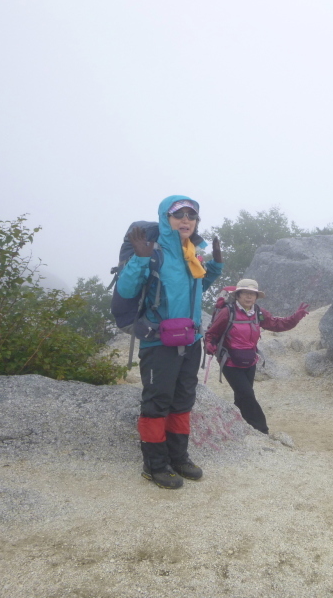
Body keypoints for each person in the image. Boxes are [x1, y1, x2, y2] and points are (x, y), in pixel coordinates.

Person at [117, 196, 223, 489]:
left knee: (182, 401)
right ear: (166, 218)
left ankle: (179, 457)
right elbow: (127, 289)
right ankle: (155, 465)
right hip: (158, 341)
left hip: (191, 340)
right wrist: (139, 258)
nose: (186, 220)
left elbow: (194, 289)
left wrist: (215, 267)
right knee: (157, 403)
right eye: (179, 215)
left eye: (192, 215)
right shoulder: (156, 252)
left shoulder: (192, 253)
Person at [204, 279, 308, 434]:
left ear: (256, 297)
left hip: (250, 361)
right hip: (230, 362)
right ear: (238, 295)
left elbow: (277, 324)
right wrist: (209, 345)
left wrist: (295, 317)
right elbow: (212, 333)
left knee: (242, 396)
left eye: (252, 294)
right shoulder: (228, 312)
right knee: (247, 395)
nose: (249, 297)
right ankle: (261, 429)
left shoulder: (258, 312)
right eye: (245, 293)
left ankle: (240, 425)